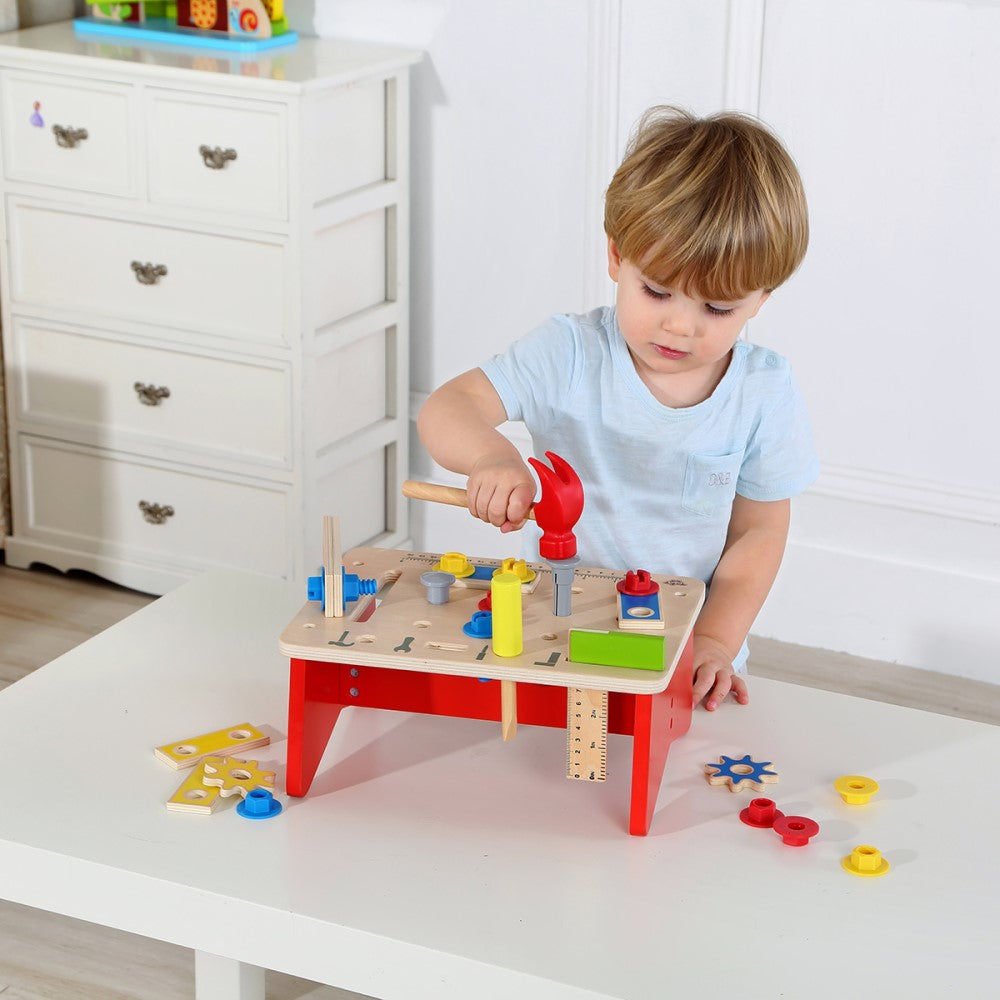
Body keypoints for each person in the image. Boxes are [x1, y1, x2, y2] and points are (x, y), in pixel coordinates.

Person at [417, 106, 819, 711]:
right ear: (615, 256)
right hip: (558, 635)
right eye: (657, 290)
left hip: (683, 655)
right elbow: (450, 406)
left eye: (719, 309)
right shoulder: (569, 352)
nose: (680, 325)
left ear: (761, 299)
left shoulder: (764, 390)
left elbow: (759, 532)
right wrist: (491, 457)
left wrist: (714, 640)